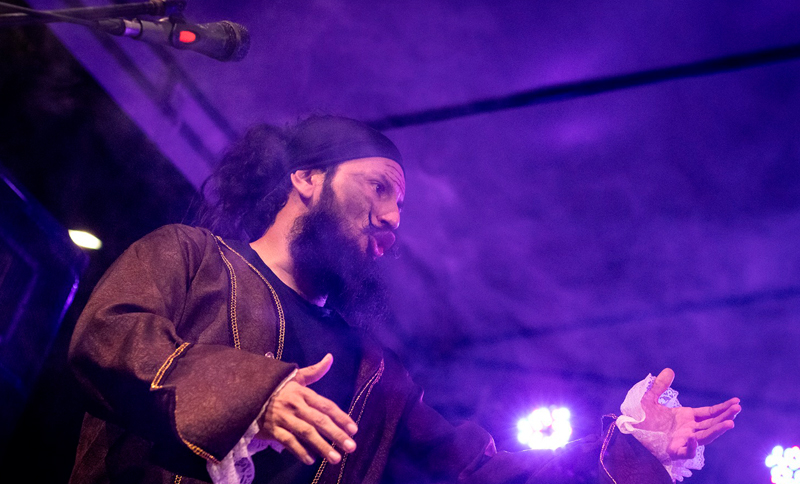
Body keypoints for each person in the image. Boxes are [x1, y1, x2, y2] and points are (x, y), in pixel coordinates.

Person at [67, 115, 740, 484]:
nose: (392, 217)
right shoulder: (190, 256)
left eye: (401, 202)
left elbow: (479, 472)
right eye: (379, 187)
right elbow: (107, 337)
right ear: (306, 179)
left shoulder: (376, 377)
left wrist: (629, 448)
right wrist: (254, 395)